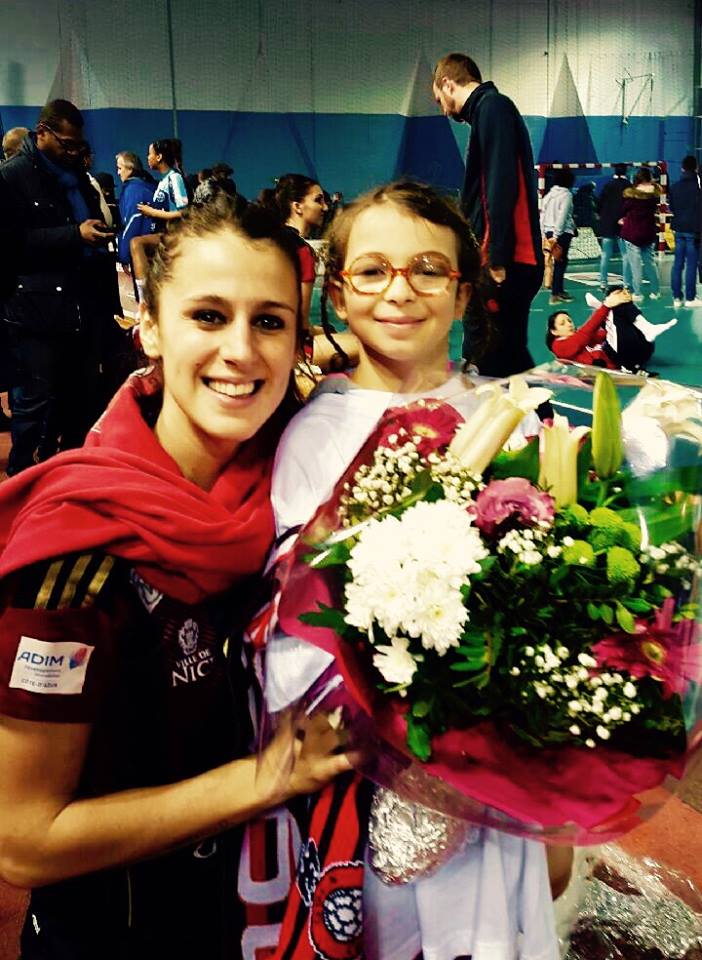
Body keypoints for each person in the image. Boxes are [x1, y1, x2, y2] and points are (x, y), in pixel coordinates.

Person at [0, 196, 352, 959]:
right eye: (208, 316)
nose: (241, 351)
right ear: (151, 327)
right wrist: (264, 780)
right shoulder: (80, 548)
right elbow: (24, 839)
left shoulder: (302, 495)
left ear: (299, 342)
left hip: (274, 916)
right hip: (122, 937)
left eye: (269, 321)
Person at [266, 181, 560, 960]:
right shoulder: (313, 437)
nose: (400, 291)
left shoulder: (513, 420)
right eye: (372, 271)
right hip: (372, 787)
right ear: (338, 292)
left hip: (504, 787)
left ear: (463, 294)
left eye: (429, 270)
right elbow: (292, 635)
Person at [0, 98, 121, 475]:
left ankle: (69, 475)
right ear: (42, 133)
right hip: (35, 311)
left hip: (83, 305)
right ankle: (21, 480)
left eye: (78, 146)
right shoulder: (12, 177)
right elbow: (10, 245)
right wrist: (73, 235)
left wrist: (95, 233)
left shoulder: (78, 178)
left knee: (80, 399)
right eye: (66, 144)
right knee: (34, 403)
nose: (73, 152)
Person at [432, 53, 543, 376]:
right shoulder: (487, 112)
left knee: (487, 356)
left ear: (448, 84)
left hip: (507, 262)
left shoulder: (493, 107)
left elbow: (500, 183)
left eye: (439, 99)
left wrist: (496, 257)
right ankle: (535, 407)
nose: (443, 109)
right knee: (507, 355)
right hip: (507, 258)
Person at [547, 287, 677, 371]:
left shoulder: (581, 335)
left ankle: (646, 327)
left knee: (619, 301)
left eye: (569, 321)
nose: (569, 324)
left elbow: (605, 333)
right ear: (554, 331)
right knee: (615, 306)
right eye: (562, 323)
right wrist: (606, 306)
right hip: (619, 358)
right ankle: (603, 304)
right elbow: (585, 334)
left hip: (639, 350)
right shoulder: (559, 346)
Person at [261, 174, 328, 326]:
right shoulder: (302, 251)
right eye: (318, 200)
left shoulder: (267, 241)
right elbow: (300, 324)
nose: (325, 207)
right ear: (297, 207)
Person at [130, 138, 189, 302]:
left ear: (159, 157)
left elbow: (183, 212)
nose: (147, 158)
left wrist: (153, 212)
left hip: (173, 233)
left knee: (136, 243)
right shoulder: (163, 180)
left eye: (150, 154)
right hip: (161, 232)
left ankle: (144, 299)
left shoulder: (174, 178)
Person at [620, 167, 662, 302]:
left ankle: (637, 293)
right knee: (650, 263)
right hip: (648, 232)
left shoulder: (631, 196)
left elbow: (623, 210)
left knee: (635, 265)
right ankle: (656, 291)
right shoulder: (655, 195)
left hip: (632, 233)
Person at [668, 155, 702, 308]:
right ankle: (690, 298)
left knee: (677, 264)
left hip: (678, 229)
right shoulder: (698, 188)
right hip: (693, 230)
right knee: (691, 265)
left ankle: (676, 297)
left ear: (682, 168)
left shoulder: (674, 187)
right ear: (696, 168)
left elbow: (672, 208)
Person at [541, 168, 576, 305]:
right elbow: (563, 216)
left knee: (556, 262)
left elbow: (542, 214)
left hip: (549, 231)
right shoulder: (567, 195)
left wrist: (544, 233)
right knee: (560, 262)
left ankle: (558, 291)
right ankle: (556, 293)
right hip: (561, 233)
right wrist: (557, 235)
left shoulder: (549, 195)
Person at [115, 150, 156, 267]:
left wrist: (124, 256)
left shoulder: (133, 190)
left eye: (120, 168)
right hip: (152, 251)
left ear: (130, 168)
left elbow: (132, 222)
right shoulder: (148, 186)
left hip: (140, 255)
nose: (118, 173)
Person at [596, 163, 629, 290]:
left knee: (605, 254)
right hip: (624, 225)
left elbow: (599, 203)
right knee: (626, 255)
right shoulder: (628, 186)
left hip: (607, 224)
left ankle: (603, 282)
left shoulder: (608, 185)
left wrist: (602, 215)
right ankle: (626, 284)